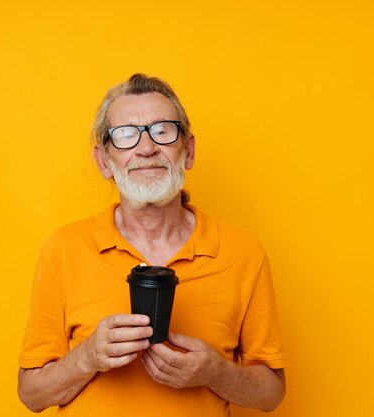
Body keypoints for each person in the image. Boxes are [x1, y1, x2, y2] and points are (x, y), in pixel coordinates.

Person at [17, 74, 288, 416]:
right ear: (104, 161)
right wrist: (88, 357)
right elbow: (31, 395)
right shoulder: (63, 249)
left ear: (187, 150)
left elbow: (271, 394)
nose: (146, 149)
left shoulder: (243, 252)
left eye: (162, 131)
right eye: (127, 136)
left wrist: (214, 372)